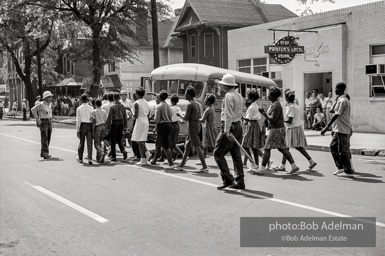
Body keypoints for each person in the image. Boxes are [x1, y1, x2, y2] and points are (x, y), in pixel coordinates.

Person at [256, 86, 300, 175]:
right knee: (282, 148)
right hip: (279, 129)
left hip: (276, 129)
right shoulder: (275, 104)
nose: (267, 96)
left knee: (267, 148)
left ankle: (261, 168)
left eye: (269, 94)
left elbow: (272, 119)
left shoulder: (276, 105)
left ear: (273, 96)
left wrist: (263, 112)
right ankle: (294, 165)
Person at [272, 89, 317, 172]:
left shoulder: (292, 107)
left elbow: (290, 120)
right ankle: (283, 165)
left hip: (293, 128)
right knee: (289, 147)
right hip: (293, 127)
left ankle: (309, 161)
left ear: (287, 98)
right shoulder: (292, 105)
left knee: (291, 147)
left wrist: (281, 120)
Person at [214, 74, 245, 189]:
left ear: (225, 86)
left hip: (230, 127)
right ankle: (240, 181)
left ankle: (228, 179)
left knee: (218, 153)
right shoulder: (239, 95)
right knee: (236, 155)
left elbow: (228, 115)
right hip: (237, 126)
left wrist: (226, 131)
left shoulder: (228, 96)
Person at [321, 82, 354, 177]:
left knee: (343, 150)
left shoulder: (343, 100)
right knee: (333, 146)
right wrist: (335, 100)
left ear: (339, 89)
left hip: (343, 128)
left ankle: (348, 171)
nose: (334, 90)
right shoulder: (339, 100)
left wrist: (326, 127)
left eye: (335, 88)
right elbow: (332, 110)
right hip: (338, 129)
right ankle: (340, 167)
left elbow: (336, 115)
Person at [177, 86, 209, 173]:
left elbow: (186, 118)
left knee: (197, 146)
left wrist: (179, 115)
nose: (184, 95)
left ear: (189, 95)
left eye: (185, 94)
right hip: (197, 125)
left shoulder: (190, 104)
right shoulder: (197, 103)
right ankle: (182, 164)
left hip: (192, 126)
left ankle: (204, 166)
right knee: (187, 146)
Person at [150, 90, 176, 170]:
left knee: (165, 146)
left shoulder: (158, 106)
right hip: (168, 125)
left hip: (162, 125)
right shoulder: (168, 105)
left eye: (157, 96)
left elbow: (157, 119)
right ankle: (154, 160)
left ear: (159, 97)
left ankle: (171, 163)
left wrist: (152, 117)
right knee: (158, 144)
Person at [241, 89, 264, 171]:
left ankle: (252, 163)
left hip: (251, 125)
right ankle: (256, 165)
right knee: (254, 147)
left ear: (250, 98)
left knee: (245, 145)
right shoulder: (256, 106)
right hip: (256, 125)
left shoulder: (251, 107)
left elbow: (247, 119)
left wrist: (241, 115)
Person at [31, 91, 54, 159]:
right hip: (43, 122)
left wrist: (51, 118)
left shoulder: (50, 104)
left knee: (48, 137)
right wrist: (37, 119)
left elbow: (49, 112)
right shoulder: (41, 104)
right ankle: (45, 153)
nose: (50, 98)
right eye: (49, 97)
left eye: (51, 97)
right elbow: (33, 109)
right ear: (46, 98)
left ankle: (43, 152)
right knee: (44, 138)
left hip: (49, 121)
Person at [131, 87, 151, 165]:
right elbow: (148, 113)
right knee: (141, 139)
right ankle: (147, 153)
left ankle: (142, 158)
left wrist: (132, 115)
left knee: (139, 140)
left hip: (139, 120)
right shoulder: (147, 102)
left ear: (136, 94)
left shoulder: (136, 103)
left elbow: (135, 116)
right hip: (145, 120)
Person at [106, 93, 128, 162]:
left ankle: (114, 156)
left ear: (113, 98)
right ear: (119, 98)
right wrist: (125, 126)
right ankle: (123, 150)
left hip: (115, 123)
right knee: (119, 138)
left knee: (113, 140)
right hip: (121, 122)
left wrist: (108, 126)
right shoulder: (122, 106)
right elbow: (125, 116)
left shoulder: (112, 107)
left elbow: (110, 117)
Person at [76, 94, 94, 164]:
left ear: (81, 100)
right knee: (89, 142)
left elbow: (78, 120)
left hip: (82, 124)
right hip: (89, 124)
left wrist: (77, 130)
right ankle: (90, 158)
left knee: (81, 142)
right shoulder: (91, 108)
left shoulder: (79, 108)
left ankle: (80, 157)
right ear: (87, 100)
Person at [199, 94, 218, 159]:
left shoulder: (207, 110)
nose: (204, 100)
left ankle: (217, 158)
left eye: (205, 99)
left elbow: (202, 120)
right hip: (212, 126)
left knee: (210, 144)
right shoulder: (212, 108)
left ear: (208, 101)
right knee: (205, 145)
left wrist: (196, 119)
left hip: (208, 127)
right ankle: (203, 159)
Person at [91, 99, 108, 164]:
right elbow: (106, 120)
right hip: (103, 126)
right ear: (101, 104)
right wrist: (106, 129)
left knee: (96, 143)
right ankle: (98, 157)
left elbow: (93, 121)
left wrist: (92, 130)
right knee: (100, 141)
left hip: (98, 126)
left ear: (95, 104)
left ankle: (101, 152)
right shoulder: (104, 111)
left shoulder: (94, 112)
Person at [169, 94, 184, 160]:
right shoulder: (178, 108)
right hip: (177, 125)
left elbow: (169, 117)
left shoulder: (171, 109)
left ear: (171, 101)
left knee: (172, 144)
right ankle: (172, 156)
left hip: (172, 125)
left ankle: (183, 155)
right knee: (173, 142)